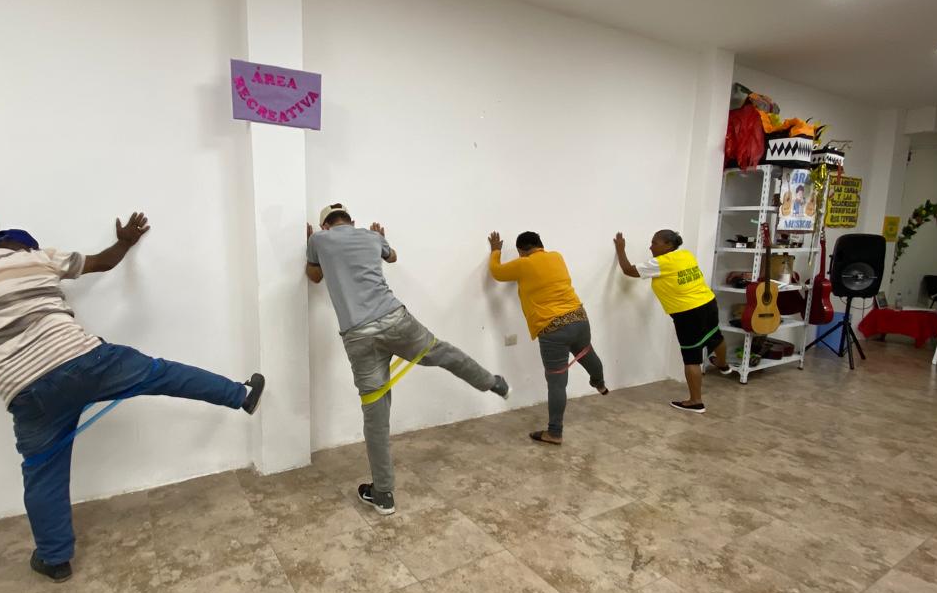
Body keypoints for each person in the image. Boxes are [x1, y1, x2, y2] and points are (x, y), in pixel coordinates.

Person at [0, 214, 265, 582]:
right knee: (163, 374)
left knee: (42, 471)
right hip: (83, 362)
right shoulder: (38, 259)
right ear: (25, 247)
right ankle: (241, 395)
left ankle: (54, 559)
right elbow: (102, 262)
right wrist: (124, 242)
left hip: (24, 391)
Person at [307, 203, 508, 515]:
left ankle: (383, 494)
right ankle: (493, 383)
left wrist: (313, 245)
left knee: (375, 414)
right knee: (443, 353)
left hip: (358, 337)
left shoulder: (318, 241)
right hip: (395, 321)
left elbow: (314, 276)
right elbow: (393, 257)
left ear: (324, 226)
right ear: (352, 221)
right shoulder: (371, 237)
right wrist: (380, 239)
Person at [487, 230, 607, 445]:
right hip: (579, 318)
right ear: (540, 245)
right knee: (587, 352)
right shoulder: (556, 256)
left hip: (553, 328)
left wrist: (495, 251)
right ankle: (599, 383)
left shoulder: (523, 264)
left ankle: (554, 432)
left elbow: (497, 272)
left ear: (521, 251)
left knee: (557, 383)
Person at [614, 228, 731, 413]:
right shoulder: (686, 255)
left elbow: (628, 270)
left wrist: (620, 249)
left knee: (691, 357)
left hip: (688, 313)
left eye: (654, 243)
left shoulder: (661, 263)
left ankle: (696, 402)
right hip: (708, 302)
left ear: (668, 245)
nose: (650, 247)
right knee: (715, 336)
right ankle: (723, 365)